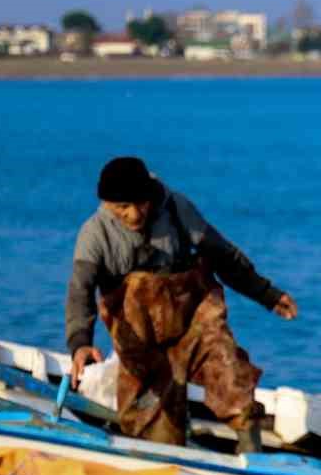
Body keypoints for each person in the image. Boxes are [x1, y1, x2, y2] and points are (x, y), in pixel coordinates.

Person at [65, 156, 297, 448]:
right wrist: (80, 342)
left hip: (195, 323)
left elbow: (223, 256)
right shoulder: (94, 235)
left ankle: (253, 453)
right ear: (108, 204)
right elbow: (79, 292)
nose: (135, 215)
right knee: (152, 424)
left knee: (230, 371)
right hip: (141, 342)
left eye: (141, 203)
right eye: (123, 207)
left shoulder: (176, 208)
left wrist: (267, 294)